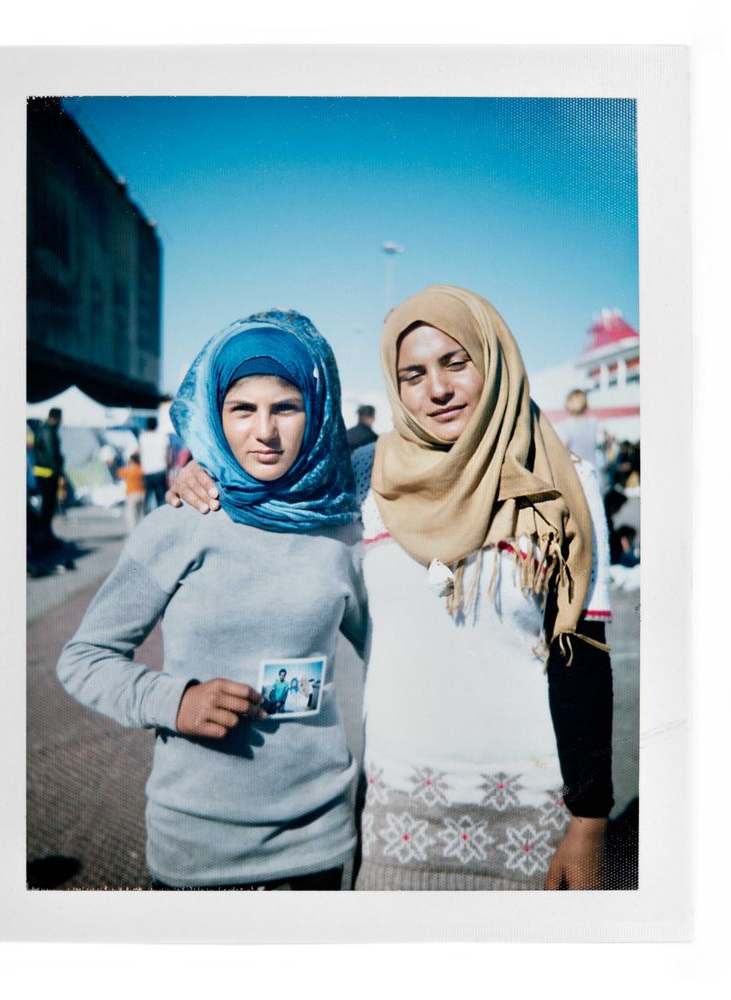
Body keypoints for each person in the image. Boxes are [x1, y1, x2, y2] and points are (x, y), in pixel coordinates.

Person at [170, 286, 614, 891]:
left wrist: (589, 822)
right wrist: (207, 472)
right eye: (414, 375)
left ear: (494, 362)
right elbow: (272, 490)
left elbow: (583, 658)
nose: (438, 389)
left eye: (456, 363)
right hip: (394, 813)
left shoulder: (564, 485)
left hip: (530, 815)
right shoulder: (364, 478)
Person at [57, 310, 367, 891]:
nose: (265, 431)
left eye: (286, 408)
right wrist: (174, 701)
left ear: (318, 411)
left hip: (317, 843)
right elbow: (83, 658)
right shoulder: (183, 520)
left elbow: (390, 656)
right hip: (197, 849)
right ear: (215, 415)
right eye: (243, 409)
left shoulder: (341, 529)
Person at [32, 407, 65, 549]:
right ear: (56, 418)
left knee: (47, 506)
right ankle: (43, 537)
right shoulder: (48, 431)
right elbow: (52, 454)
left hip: (44, 473)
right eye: (60, 418)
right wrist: (60, 472)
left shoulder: (44, 429)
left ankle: (46, 535)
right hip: (48, 474)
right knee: (48, 506)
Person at [138, 416, 171, 512]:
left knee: (148, 498)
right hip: (160, 470)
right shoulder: (163, 437)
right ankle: (163, 516)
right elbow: (168, 456)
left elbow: (139, 453)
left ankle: (147, 517)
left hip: (147, 471)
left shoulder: (142, 438)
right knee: (161, 498)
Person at [116, 452, 146, 534]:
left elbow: (118, 472)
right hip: (142, 494)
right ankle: (142, 531)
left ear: (131, 461)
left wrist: (127, 464)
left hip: (132, 495)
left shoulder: (129, 470)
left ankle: (134, 533)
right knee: (141, 514)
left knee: (132, 515)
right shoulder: (142, 469)